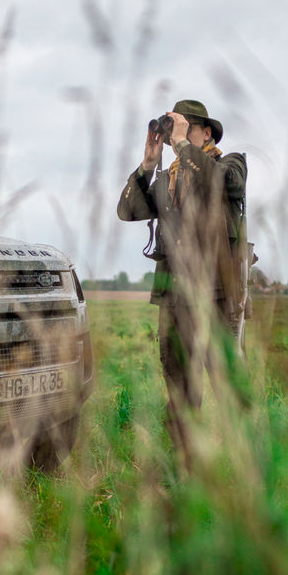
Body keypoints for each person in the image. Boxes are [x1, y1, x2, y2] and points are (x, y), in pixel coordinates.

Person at [117, 99, 247, 468]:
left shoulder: (230, 163)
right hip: (175, 298)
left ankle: (245, 469)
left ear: (206, 133)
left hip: (217, 295)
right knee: (179, 387)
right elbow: (127, 211)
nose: (177, 135)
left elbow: (224, 184)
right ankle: (185, 469)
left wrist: (183, 145)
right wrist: (148, 163)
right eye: (175, 127)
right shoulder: (168, 178)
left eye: (186, 126)